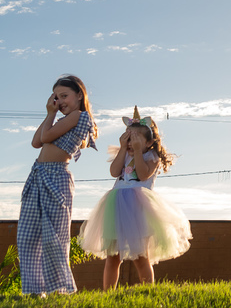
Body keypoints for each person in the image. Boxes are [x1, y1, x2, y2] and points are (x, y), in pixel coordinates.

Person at [79, 108, 192, 288]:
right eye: (128, 138)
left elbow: (143, 175)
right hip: (115, 207)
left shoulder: (151, 156)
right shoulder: (123, 153)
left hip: (139, 210)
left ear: (149, 142)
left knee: (141, 256)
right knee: (113, 257)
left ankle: (148, 290)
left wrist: (138, 152)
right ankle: (107, 294)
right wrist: (123, 149)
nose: (131, 143)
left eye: (136, 140)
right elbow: (114, 172)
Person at [19, 74, 99, 296]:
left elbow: (45, 138)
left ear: (79, 95)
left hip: (56, 178)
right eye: (56, 97)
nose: (60, 101)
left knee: (54, 238)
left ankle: (60, 289)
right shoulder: (59, 120)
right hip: (37, 175)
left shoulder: (80, 117)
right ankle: (33, 291)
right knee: (27, 237)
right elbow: (36, 142)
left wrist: (51, 114)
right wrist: (50, 115)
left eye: (64, 95)